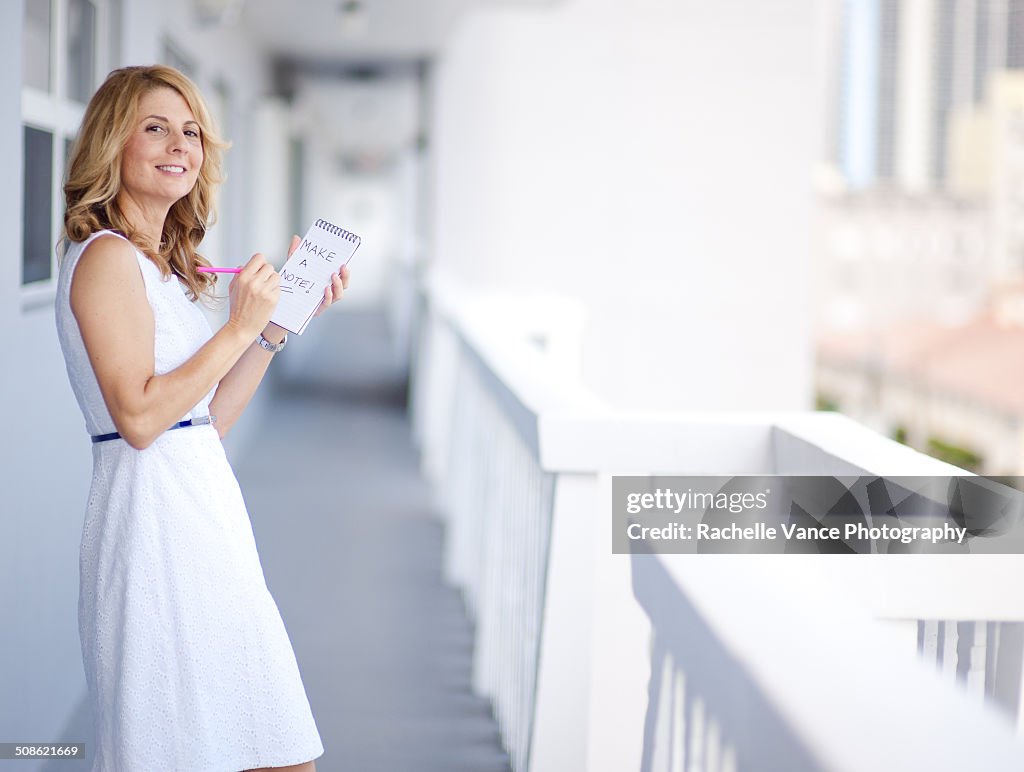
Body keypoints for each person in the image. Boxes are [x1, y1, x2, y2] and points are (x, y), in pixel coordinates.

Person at [54, 64, 347, 771]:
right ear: (112, 143)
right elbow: (141, 419)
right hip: (151, 530)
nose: (178, 144)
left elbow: (202, 424)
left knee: (276, 750)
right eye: (154, 127)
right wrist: (238, 329)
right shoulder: (105, 259)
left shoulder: (169, 267)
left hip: (207, 523)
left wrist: (274, 329)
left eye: (190, 132)